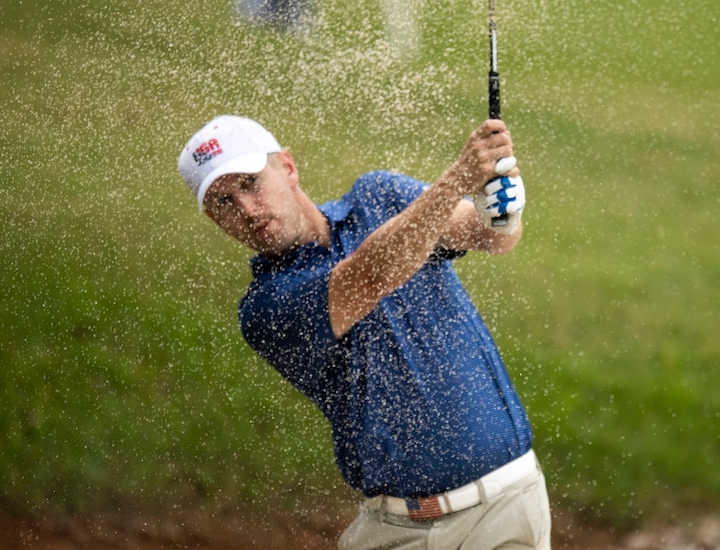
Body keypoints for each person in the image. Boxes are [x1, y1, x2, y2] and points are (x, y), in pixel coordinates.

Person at [177, 114, 551, 549]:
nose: (245, 208)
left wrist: (502, 211)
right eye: (223, 202)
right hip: (400, 531)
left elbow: (487, 236)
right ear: (213, 218)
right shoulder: (266, 308)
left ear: (288, 167)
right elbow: (368, 276)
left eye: (250, 182)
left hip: (506, 509)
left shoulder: (379, 196)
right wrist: (454, 182)